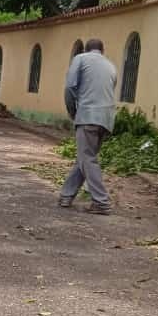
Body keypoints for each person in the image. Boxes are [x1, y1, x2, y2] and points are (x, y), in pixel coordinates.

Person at [58, 37, 117, 214]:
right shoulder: (111, 66)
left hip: (88, 116)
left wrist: (72, 111)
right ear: (102, 50)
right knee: (85, 158)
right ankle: (66, 196)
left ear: (85, 49)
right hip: (106, 119)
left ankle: (101, 202)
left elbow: (69, 87)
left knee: (87, 159)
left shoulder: (80, 59)